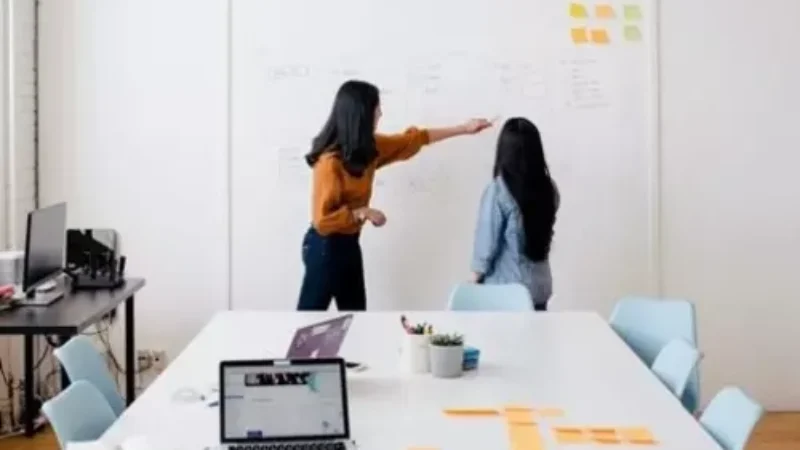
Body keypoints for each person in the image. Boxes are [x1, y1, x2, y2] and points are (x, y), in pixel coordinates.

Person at [298, 80, 492, 311]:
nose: (380, 113)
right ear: (360, 114)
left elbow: (414, 139)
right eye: (376, 108)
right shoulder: (329, 163)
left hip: (348, 243)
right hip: (324, 246)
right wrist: (362, 213)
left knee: (356, 318)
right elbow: (322, 221)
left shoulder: (369, 148)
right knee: (310, 319)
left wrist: (464, 128)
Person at [470, 117, 559, 311]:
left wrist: (472, 283)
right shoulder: (549, 189)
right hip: (539, 289)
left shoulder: (498, 191)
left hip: (505, 293)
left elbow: (486, 247)